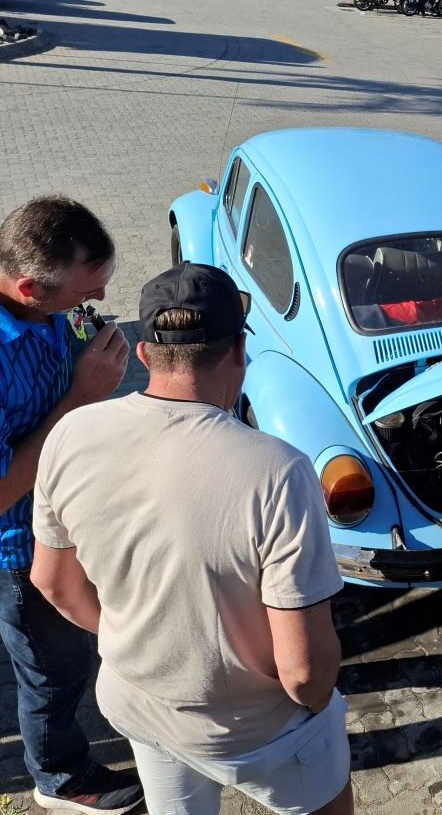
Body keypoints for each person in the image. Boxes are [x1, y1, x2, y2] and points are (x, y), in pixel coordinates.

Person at [31, 263, 352, 815]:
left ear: (143, 354)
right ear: (237, 353)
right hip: (259, 734)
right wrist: (318, 705)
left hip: (138, 705)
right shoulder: (278, 472)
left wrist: (146, 643)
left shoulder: (71, 434)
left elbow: (53, 581)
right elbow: (304, 674)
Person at [0, 196, 140, 814]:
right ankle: (59, 779)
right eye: (85, 293)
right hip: (20, 551)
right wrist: (83, 395)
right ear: (29, 287)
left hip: (69, 517)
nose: (95, 303)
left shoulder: (36, 305)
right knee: (53, 672)